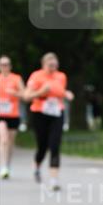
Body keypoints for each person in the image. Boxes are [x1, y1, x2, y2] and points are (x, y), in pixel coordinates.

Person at [24, 52, 74, 191]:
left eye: (54, 65)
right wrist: (41, 92)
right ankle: (37, 166)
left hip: (57, 113)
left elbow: (61, 92)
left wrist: (67, 94)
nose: (53, 68)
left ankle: (54, 180)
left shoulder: (61, 76)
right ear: (43, 65)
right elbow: (26, 96)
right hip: (40, 113)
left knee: (55, 145)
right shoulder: (36, 76)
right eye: (50, 65)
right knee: (42, 146)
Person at [0, 55, 25, 179]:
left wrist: (15, 93)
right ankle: (3, 166)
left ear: (10, 66)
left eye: (7, 64)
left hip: (13, 115)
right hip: (0, 115)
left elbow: (25, 94)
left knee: (10, 142)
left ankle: (7, 166)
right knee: (3, 139)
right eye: (2, 64)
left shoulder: (16, 78)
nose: (5, 66)